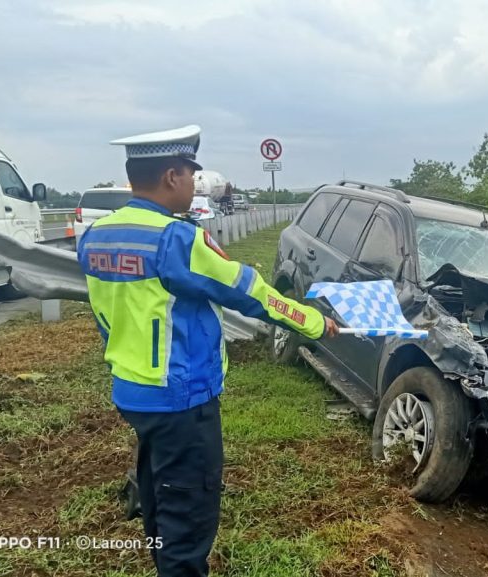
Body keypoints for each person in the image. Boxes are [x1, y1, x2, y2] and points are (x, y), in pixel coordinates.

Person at [77, 125, 338, 577]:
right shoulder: (176, 239)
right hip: (181, 399)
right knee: (189, 518)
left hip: (132, 390)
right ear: (172, 176)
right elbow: (249, 291)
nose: (194, 184)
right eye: (190, 175)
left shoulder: (97, 234)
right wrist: (314, 321)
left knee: (160, 494)